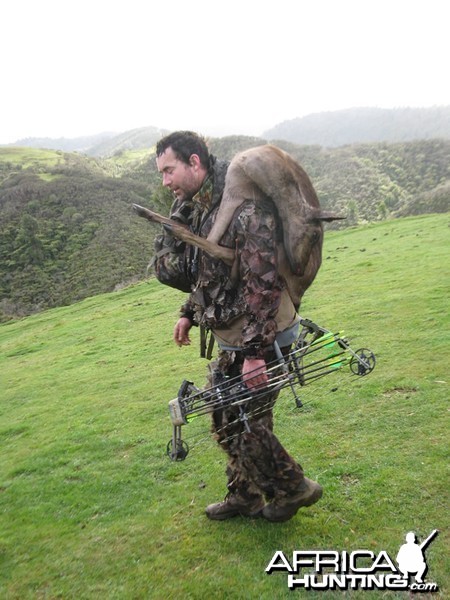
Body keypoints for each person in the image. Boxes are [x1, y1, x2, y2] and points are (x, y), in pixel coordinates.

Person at [154, 131, 322, 521]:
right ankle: (244, 495)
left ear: (194, 162)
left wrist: (255, 355)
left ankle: (293, 488)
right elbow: (209, 271)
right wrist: (189, 313)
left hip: (263, 337)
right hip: (235, 334)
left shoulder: (246, 209)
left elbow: (262, 283)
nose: (165, 181)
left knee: (242, 423)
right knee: (231, 418)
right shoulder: (207, 208)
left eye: (169, 170)